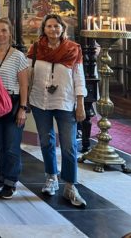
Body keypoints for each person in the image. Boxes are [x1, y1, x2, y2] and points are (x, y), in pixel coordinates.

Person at [28, 14, 87, 207]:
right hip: (40, 101)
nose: (53, 29)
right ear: (44, 29)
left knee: (69, 146)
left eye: (56, 26)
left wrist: (80, 103)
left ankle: (70, 185)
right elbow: (28, 74)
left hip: (65, 101)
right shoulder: (36, 48)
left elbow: (79, 77)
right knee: (46, 142)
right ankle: (51, 177)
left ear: (62, 28)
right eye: (49, 26)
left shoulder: (73, 49)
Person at [0, 18, 29, 199]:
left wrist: (23, 108)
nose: (0, 34)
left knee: (12, 146)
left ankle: (11, 181)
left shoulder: (18, 56)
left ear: (10, 33)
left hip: (13, 104)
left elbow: (24, 85)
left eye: (3, 30)